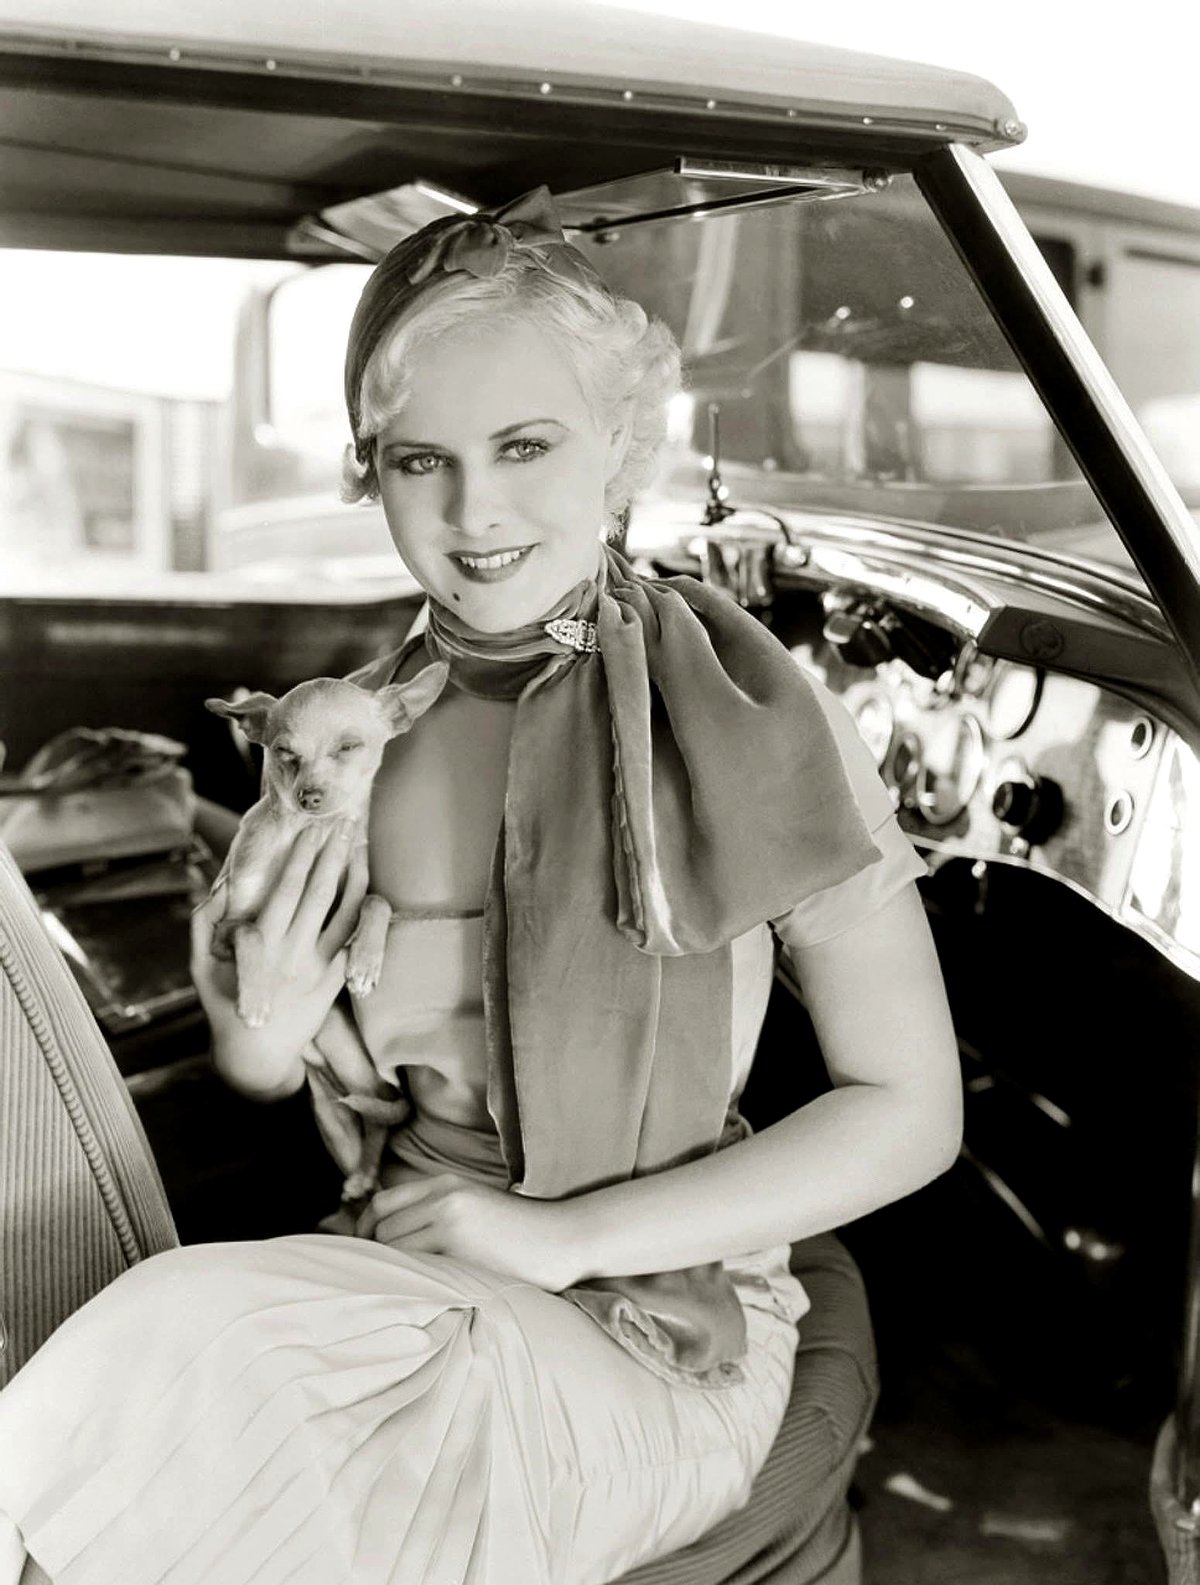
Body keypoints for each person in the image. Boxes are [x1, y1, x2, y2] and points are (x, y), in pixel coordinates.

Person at [0, 188, 962, 1585]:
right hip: (393, 1262)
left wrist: (565, 1236)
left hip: (654, 1311)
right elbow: (284, 1075)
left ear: (625, 444)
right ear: (368, 471)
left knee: (208, 1370)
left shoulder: (750, 714)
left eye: (525, 445)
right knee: (172, 1377)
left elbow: (913, 1109)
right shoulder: (353, 731)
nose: (473, 510)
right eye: (417, 460)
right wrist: (259, 1025)